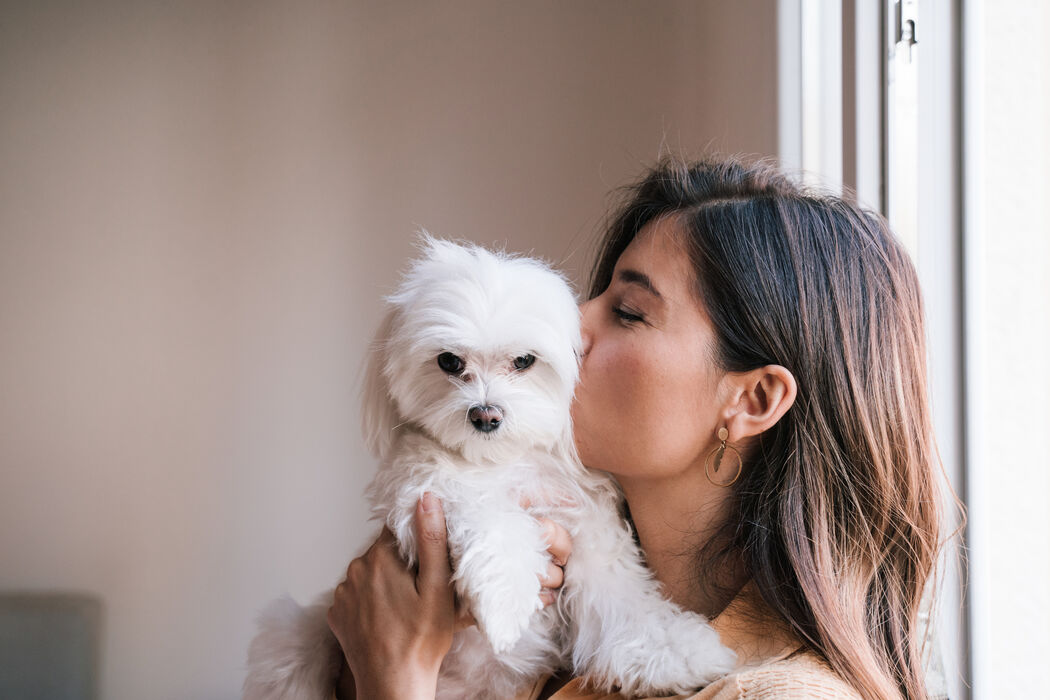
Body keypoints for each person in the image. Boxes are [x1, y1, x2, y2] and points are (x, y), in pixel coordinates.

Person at [326, 157, 956, 700]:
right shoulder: (563, 633)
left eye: (628, 312)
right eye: (595, 294)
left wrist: (395, 678)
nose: (570, 325)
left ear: (754, 398)